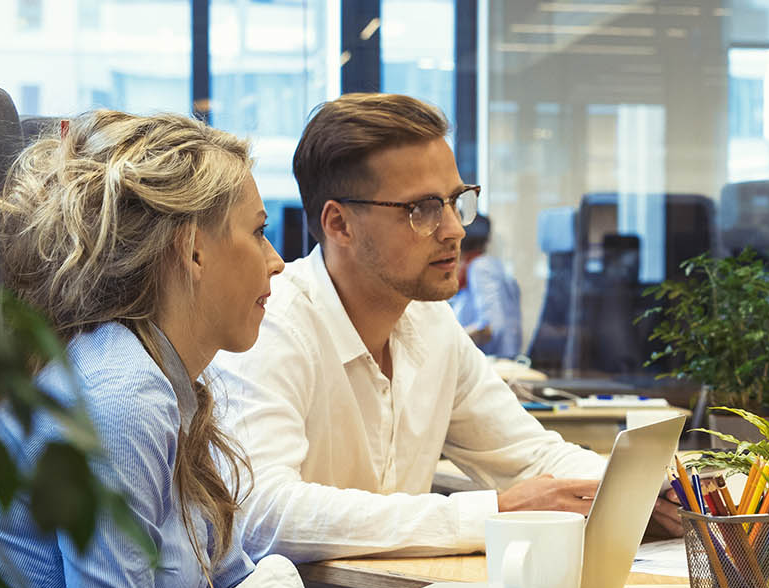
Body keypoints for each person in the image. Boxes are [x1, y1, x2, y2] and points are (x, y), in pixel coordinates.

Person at [0, 111, 319, 588]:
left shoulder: (157, 378)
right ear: (193, 246)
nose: (278, 263)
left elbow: (229, 574)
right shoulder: (120, 399)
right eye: (259, 233)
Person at [212, 93, 682, 563]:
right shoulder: (273, 324)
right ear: (340, 224)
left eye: (457, 201)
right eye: (423, 209)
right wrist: (494, 513)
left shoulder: (430, 323)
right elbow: (262, 514)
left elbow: (529, 457)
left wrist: (642, 490)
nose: (455, 229)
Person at [448, 217, 525, 358]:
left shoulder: (480, 267)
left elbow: (490, 327)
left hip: (496, 364)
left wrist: (446, 343)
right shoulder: (486, 266)